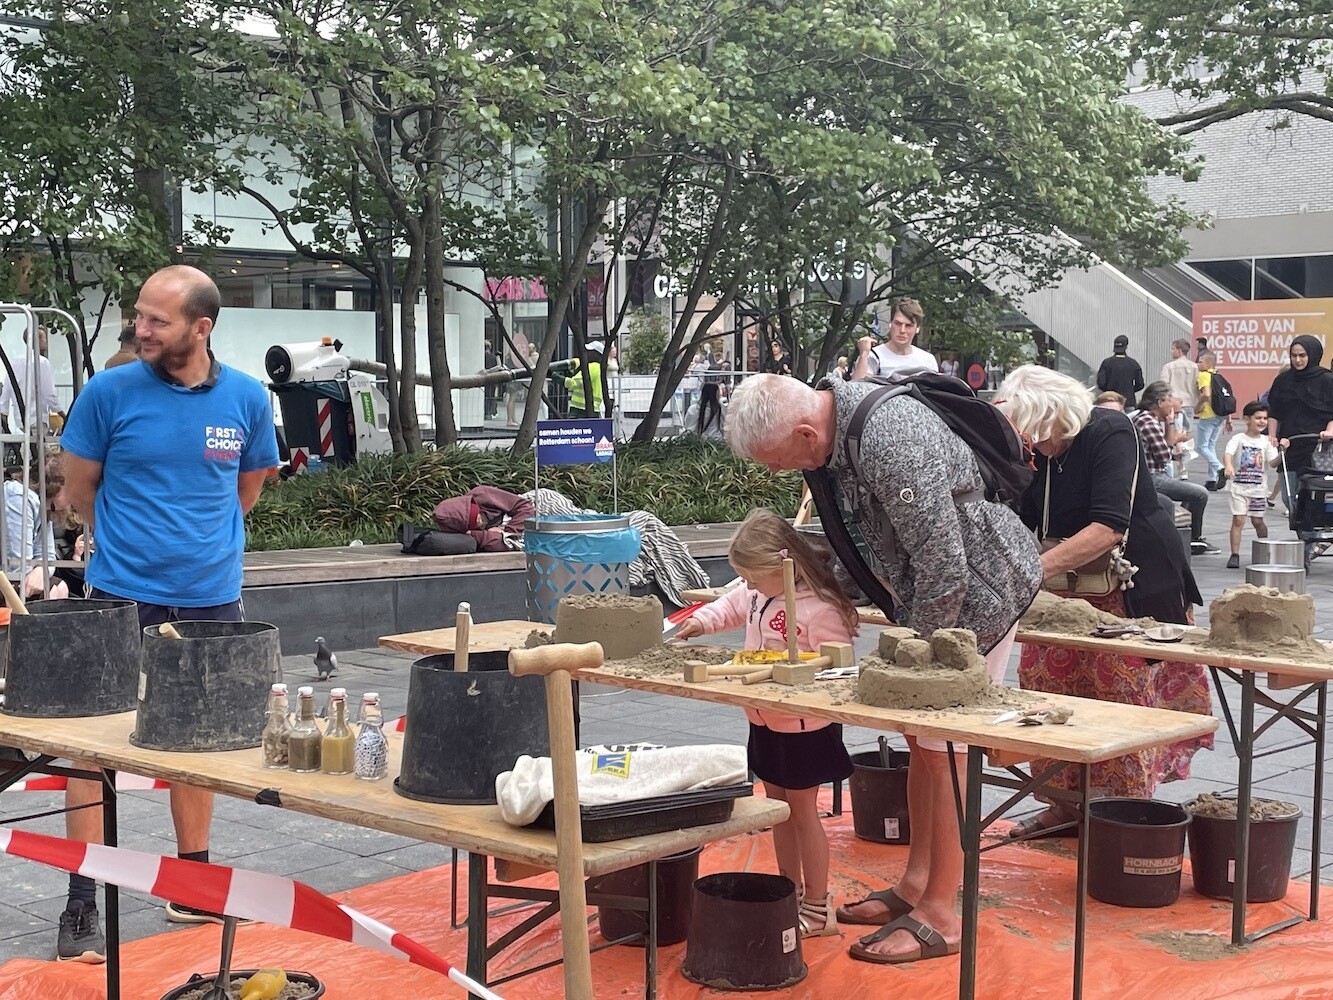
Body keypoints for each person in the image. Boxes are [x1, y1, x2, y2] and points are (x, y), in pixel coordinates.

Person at [726, 373, 1042, 965]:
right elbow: (871, 543)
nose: (778, 473)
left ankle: (943, 914)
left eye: (777, 460)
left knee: (942, 743)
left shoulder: (890, 437)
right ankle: (918, 884)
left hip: (983, 590)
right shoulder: (837, 436)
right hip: (935, 591)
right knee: (921, 743)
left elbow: (944, 563)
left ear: (802, 430)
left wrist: (921, 661)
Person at [55, 264, 280, 962]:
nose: (140, 329)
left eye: (157, 319)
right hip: (122, 594)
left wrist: (198, 550)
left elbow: (247, 487)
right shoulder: (109, 392)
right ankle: (82, 904)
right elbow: (78, 490)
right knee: (90, 751)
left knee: (197, 745)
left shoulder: (245, 397)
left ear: (201, 327)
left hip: (213, 596)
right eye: (139, 316)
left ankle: (194, 883)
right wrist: (132, 545)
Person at [994, 366, 1211, 835]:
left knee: (1120, 697)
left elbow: (1109, 526)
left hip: (1130, 578)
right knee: (1045, 686)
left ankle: (1122, 817)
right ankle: (1063, 805)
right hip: (1066, 579)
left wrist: (1029, 572)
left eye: (1036, 431)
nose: (1032, 444)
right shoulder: (1038, 451)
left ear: (1059, 414)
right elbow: (1017, 515)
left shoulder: (1111, 430)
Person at [675, 509, 857, 937]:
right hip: (763, 720)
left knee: (803, 813)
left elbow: (840, 668)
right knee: (779, 812)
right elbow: (730, 604)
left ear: (784, 566)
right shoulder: (757, 591)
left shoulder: (818, 609)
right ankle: (787, 892)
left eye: (755, 578)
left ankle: (817, 905)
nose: (750, 586)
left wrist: (800, 672)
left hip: (803, 728)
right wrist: (702, 621)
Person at [1131, 381, 1219, 555]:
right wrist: (1172, 430)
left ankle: (1186, 535)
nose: (1171, 404)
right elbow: (1164, 457)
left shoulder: (1149, 419)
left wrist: (1170, 422)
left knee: (1191, 493)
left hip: (1157, 473)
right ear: (1159, 402)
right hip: (1153, 477)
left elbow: (1165, 448)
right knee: (1200, 494)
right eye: (1169, 399)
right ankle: (1194, 538)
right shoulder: (1148, 422)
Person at [1266, 335, 1333, 507]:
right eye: (1294, 355)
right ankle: (1304, 531)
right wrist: (1272, 436)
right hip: (1289, 445)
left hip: (1319, 447)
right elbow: (1275, 411)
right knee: (1289, 497)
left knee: (1317, 493)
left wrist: (1329, 431)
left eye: (1302, 355)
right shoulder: (1283, 380)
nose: (1297, 360)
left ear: (1312, 354)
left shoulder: (1326, 380)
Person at [1223, 401, 1282, 569]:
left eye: (1265, 418)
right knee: (1239, 519)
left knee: (1257, 520)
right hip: (1238, 488)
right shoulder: (1238, 438)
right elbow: (1228, 453)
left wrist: (1283, 451)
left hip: (1258, 489)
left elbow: (1272, 462)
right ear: (1247, 419)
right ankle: (1235, 554)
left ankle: (1264, 547)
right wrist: (1228, 466)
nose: (1262, 421)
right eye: (1258, 418)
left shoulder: (1266, 442)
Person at [3, 462, 68, 600]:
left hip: (16, 574)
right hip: (8, 574)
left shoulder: (44, 504)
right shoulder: (19, 497)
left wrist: (41, 570)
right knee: (53, 590)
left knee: (58, 588)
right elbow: (18, 566)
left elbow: (49, 556)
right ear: (55, 487)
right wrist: (40, 571)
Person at [852, 297, 937, 379]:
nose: (902, 330)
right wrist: (864, 354)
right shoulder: (873, 356)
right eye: (898, 323)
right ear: (890, 323)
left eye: (908, 326)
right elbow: (856, 388)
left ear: (917, 328)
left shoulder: (928, 360)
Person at [0, 325, 62, 433]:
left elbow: (7, 390)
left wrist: (4, 413)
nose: (46, 341)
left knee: (31, 446)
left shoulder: (15, 362)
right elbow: (49, 394)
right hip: (37, 417)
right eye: (44, 338)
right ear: (38, 339)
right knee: (37, 447)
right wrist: (63, 414)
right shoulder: (42, 362)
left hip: (20, 418)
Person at [1161, 338, 1199, 479]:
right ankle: (1183, 467)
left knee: (1173, 434)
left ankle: (1176, 465)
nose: (1171, 351)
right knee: (1184, 434)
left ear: (1179, 350)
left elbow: (1164, 387)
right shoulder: (1195, 367)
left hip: (1173, 404)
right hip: (1189, 403)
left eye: (1173, 348)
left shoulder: (1169, 367)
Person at [1195, 351, 1232, 490]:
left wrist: (1197, 407)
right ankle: (1211, 479)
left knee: (1201, 447)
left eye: (1201, 362)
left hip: (1208, 414)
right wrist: (1228, 419)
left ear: (1208, 364)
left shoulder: (1204, 375)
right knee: (1210, 446)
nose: (1198, 364)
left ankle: (1220, 469)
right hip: (1220, 415)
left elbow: (1206, 394)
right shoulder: (1218, 376)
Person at [1094, 335, 1145, 411]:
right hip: (1128, 402)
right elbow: (1140, 384)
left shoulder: (1107, 363)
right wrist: (1129, 390)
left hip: (1110, 402)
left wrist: (1109, 391)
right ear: (1126, 347)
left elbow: (1101, 383)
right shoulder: (1133, 363)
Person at [564, 340, 604, 418]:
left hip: (580, 409)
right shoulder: (599, 367)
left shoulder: (592, 367)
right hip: (591, 408)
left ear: (596, 354)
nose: (586, 353)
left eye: (589, 351)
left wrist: (557, 377)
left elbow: (574, 383)